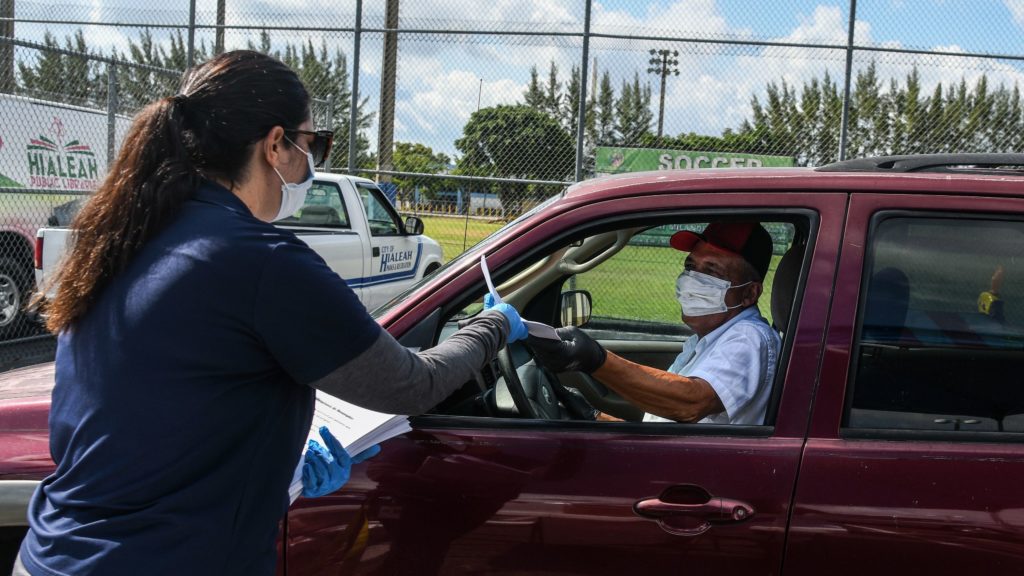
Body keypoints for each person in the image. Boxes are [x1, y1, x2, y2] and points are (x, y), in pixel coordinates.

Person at [14, 50, 527, 576]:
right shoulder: (260, 259)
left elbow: (144, 416)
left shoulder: (127, 239)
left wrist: (274, 474)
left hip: (53, 554)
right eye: (315, 144)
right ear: (276, 145)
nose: (315, 161)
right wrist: (495, 326)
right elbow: (411, 385)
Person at [529, 222, 781, 425]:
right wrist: (594, 417)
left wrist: (596, 359)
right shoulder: (704, 340)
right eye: (691, 266)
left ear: (749, 294)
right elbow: (664, 423)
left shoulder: (749, 337)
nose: (693, 278)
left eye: (712, 271)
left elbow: (690, 404)